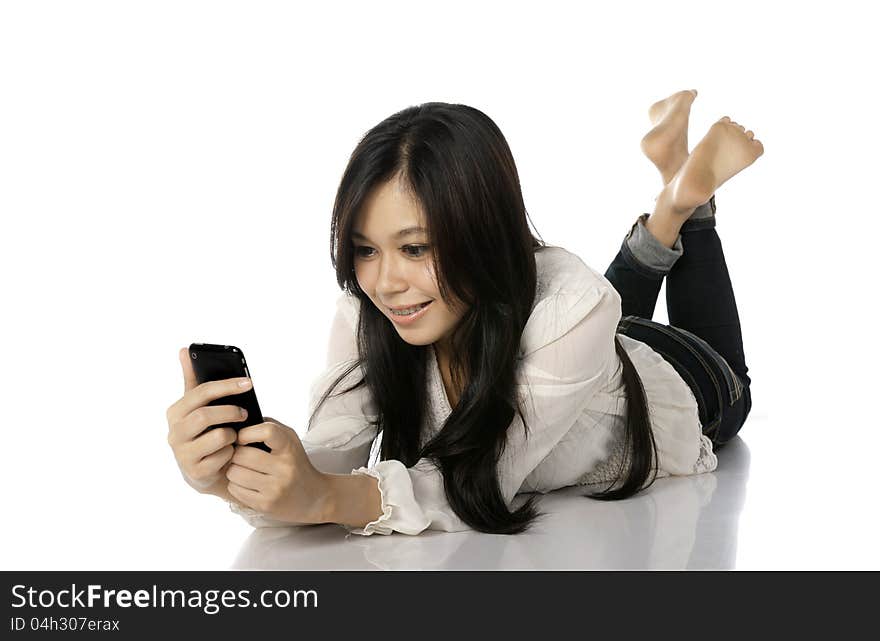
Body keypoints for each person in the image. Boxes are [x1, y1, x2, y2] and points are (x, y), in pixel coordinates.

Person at [165, 94, 762, 536]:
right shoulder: (368, 310)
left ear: (482, 234)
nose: (385, 282)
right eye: (365, 249)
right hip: (590, 356)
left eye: (415, 248)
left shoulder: (574, 309)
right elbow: (330, 455)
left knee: (721, 373)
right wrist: (242, 476)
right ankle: (673, 198)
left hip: (678, 379)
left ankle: (690, 204)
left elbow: (479, 479)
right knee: (592, 320)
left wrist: (324, 499)